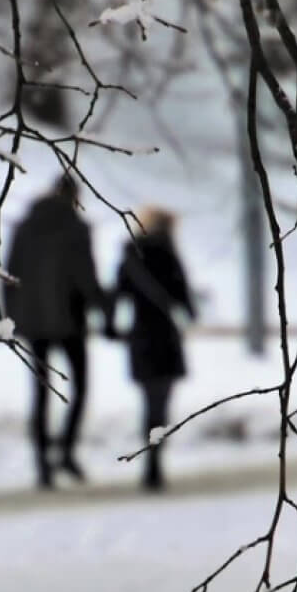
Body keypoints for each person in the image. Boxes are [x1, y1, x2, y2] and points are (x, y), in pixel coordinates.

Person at [3, 174, 106, 489]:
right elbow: (85, 277)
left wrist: (13, 317)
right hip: (71, 322)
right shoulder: (77, 230)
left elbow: (9, 275)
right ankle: (66, 452)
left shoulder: (24, 228)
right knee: (81, 387)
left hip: (34, 323)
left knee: (40, 394)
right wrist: (104, 307)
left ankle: (42, 463)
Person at [107, 207, 196, 491]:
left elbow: (116, 294)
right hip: (166, 337)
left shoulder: (131, 257)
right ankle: (154, 463)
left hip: (140, 337)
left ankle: (150, 463)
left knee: (149, 403)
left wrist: (109, 328)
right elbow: (184, 297)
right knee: (161, 403)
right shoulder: (169, 255)